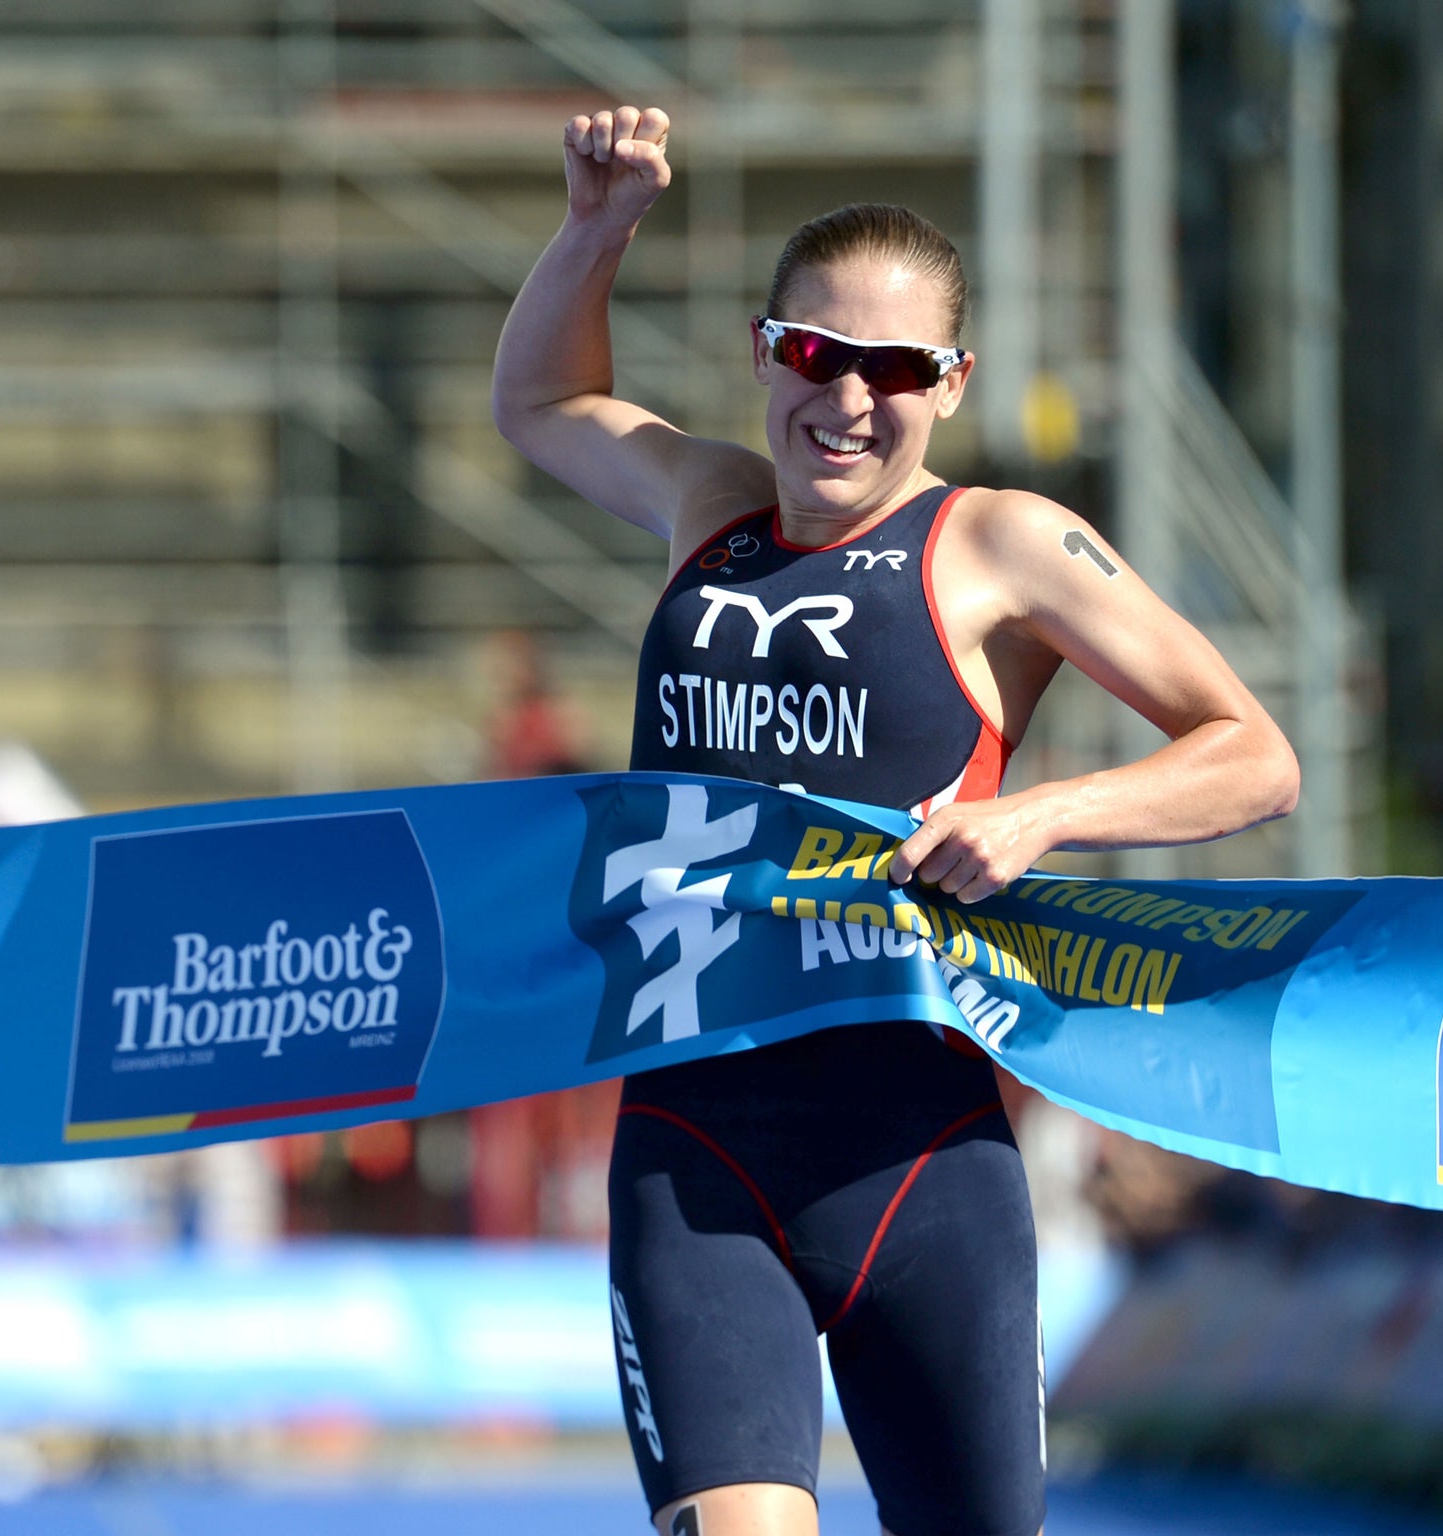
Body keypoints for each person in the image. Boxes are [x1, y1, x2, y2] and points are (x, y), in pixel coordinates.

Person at [493, 104, 1298, 1536]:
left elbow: (1253, 757)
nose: (847, 399)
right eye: (814, 354)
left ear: (951, 381)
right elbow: (542, 408)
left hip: (918, 1162)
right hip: (695, 1147)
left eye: (893, 368)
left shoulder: (996, 541)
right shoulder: (711, 506)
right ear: (766, 352)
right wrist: (596, 230)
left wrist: (1050, 814)